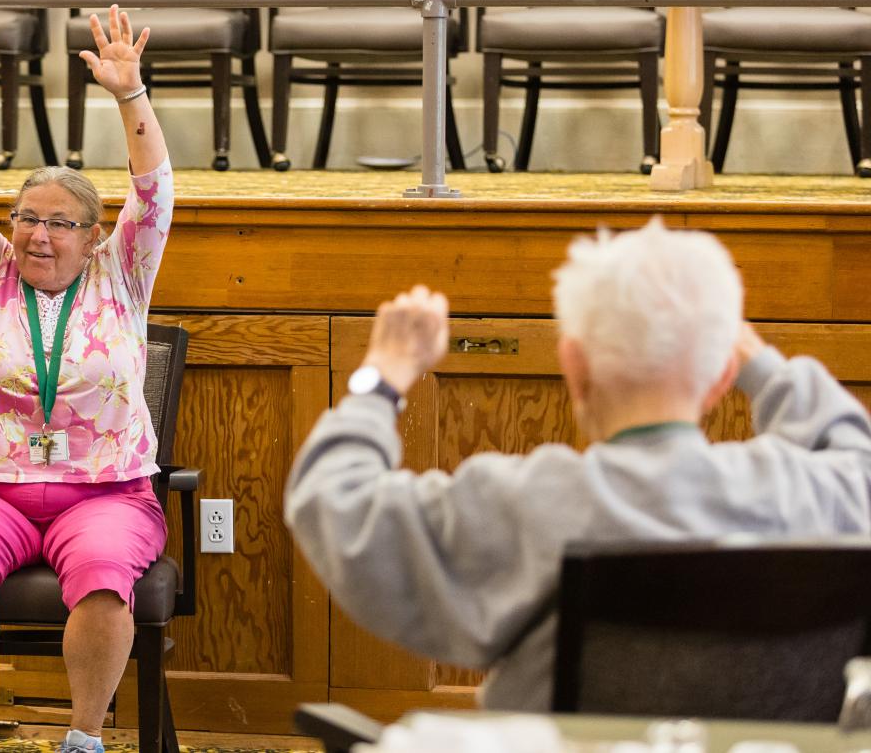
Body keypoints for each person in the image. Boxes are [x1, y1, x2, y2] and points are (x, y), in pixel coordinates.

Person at [284, 218, 871, 711]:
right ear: (722, 376)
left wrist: (382, 376)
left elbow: (331, 501)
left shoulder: (527, 504)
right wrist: (762, 365)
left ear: (574, 366)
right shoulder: (813, 495)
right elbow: (851, 445)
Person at [0, 2, 172, 753]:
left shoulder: (121, 274)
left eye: (60, 222)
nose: (38, 233)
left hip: (105, 493)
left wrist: (131, 93)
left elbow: (155, 191)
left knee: (101, 572)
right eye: (28, 216)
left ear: (93, 236)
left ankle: (83, 740)